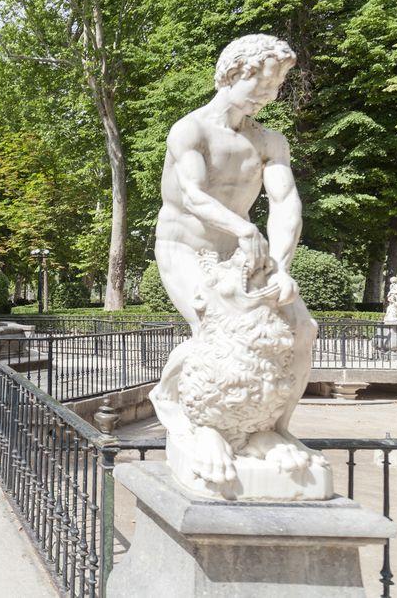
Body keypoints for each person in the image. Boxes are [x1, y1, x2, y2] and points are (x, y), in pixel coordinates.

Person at [151, 35, 323, 485]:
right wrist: (246, 228)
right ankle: (203, 426)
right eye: (263, 84)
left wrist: (282, 267)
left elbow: (286, 202)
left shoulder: (269, 142)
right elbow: (192, 195)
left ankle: (271, 430)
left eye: (277, 86)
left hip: (242, 253)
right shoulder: (191, 130)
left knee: (302, 327)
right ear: (233, 74)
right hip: (185, 248)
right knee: (214, 329)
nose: (269, 94)